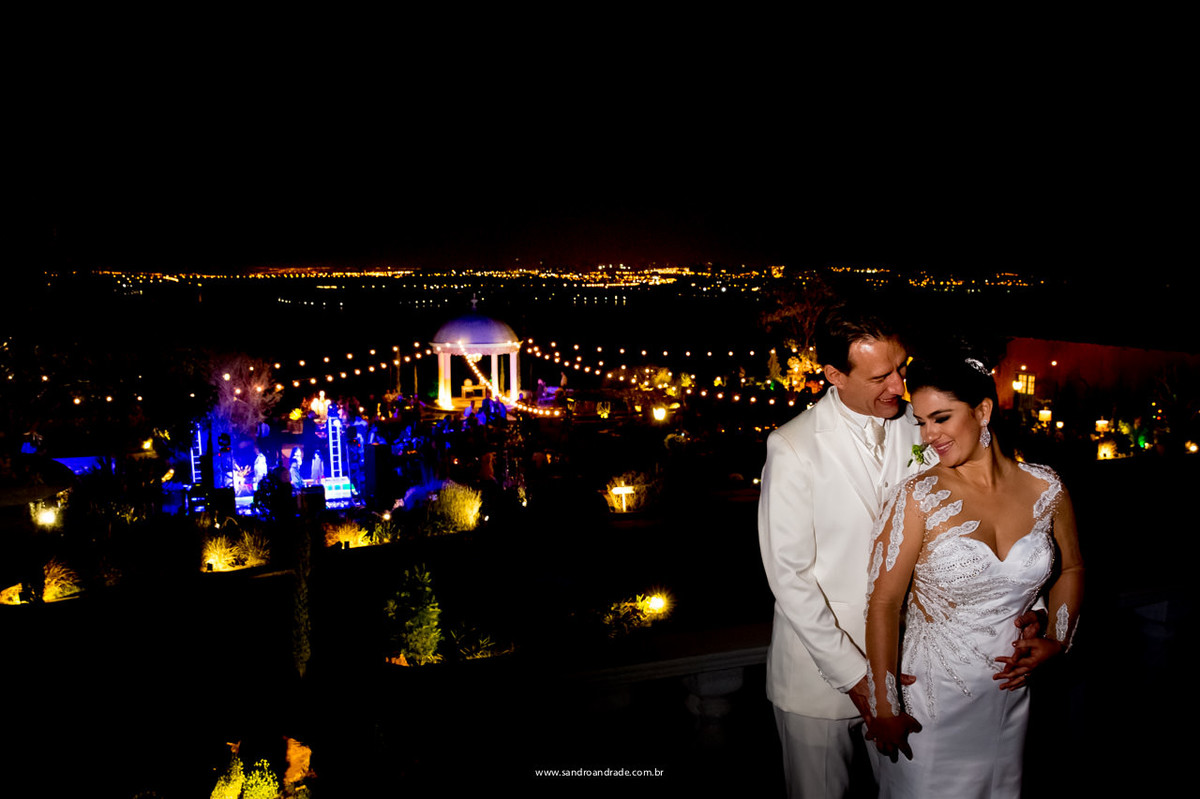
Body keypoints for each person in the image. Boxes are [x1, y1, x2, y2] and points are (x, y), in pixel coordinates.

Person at [863, 354, 1084, 798]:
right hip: (929, 705)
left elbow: (1072, 567)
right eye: (921, 422)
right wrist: (884, 707)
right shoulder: (917, 497)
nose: (928, 436)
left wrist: (1057, 639)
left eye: (941, 418)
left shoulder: (1048, 488)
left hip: (1008, 695)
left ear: (983, 410)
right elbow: (883, 604)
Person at [758, 302, 933, 798]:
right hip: (816, 680)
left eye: (901, 368)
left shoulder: (921, 426)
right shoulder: (792, 446)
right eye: (880, 376)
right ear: (835, 375)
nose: (899, 386)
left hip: (909, 668)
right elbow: (790, 577)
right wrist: (857, 677)